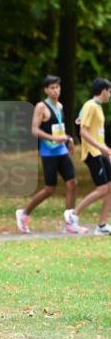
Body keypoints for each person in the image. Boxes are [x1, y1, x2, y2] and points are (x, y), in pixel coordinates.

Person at [15, 75, 82, 235]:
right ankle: (23, 214)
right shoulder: (41, 107)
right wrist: (54, 138)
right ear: (46, 89)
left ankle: (70, 221)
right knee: (49, 189)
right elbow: (34, 130)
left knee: (72, 182)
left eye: (58, 87)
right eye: (52, 88)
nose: (56, 90)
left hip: (61, 151)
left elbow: (60, 128)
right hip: (49, 153)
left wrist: (68, 140)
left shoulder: (60, 106)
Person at [65, 77, 111, 236]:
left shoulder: (97, 107)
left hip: (100, 152)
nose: (110, 95)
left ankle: (102, 225)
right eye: (109, 91)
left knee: (110, 188)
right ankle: (73, 214)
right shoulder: (90, 106)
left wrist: (107, 150)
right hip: (92, 153)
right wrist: (100, 148)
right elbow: (83, 132)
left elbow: (97, 134)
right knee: (103, 188)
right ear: (104, 90)